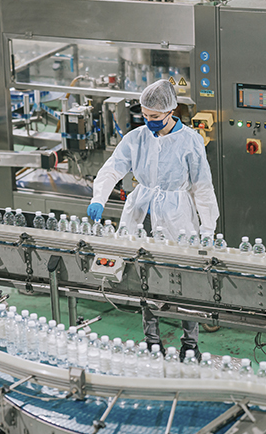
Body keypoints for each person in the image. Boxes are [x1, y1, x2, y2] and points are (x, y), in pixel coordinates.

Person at [87, 79, 219, 359]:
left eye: (155, 117)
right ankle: (152, 341)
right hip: (141, 211)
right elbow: (112, 169)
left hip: (177, 216)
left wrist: (208, 230)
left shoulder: (191, 141)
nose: (149, 122)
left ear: (171, 111)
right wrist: (99, 198)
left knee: (184, 280)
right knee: (144, 277)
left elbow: (203, 189)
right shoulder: (136, 138)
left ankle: (190, 344)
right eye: (145, 116)